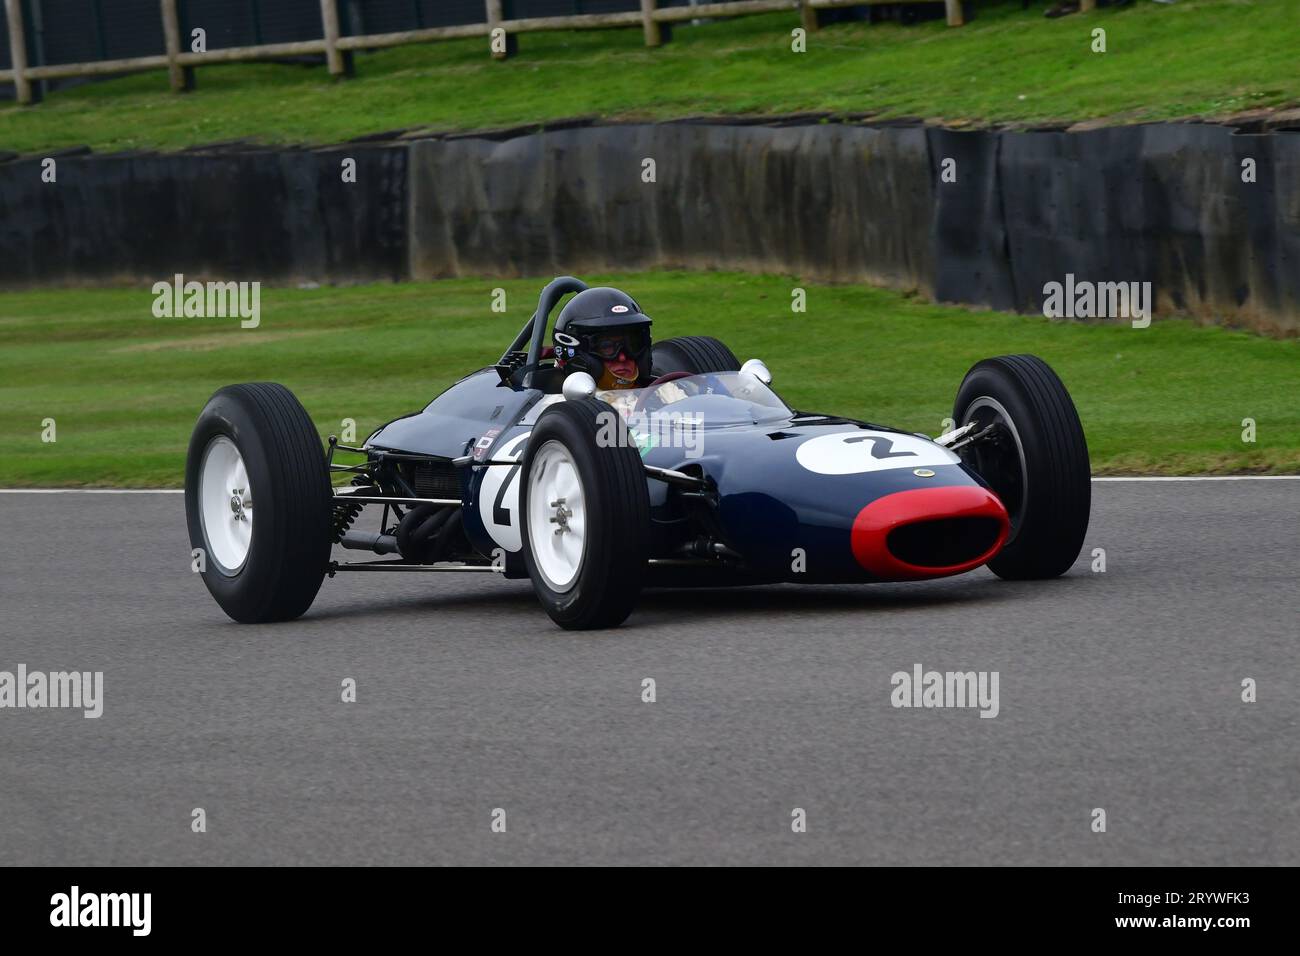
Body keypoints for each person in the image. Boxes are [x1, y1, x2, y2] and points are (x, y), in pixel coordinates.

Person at [552, 287, 654, 390]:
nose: (622, 357)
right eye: (607, 346)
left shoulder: (661, 393)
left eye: (633, 345)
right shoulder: (550, 402)